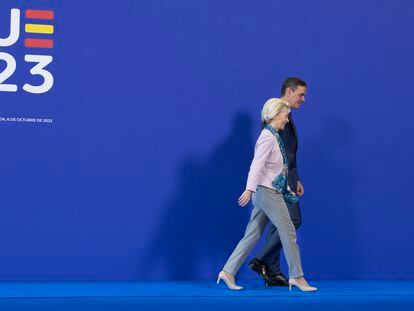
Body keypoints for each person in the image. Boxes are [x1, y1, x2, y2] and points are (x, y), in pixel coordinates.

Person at [217, 98, 317, 291]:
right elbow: (256, 165)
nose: (287, 120)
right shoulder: (267, 137)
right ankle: (297, 276)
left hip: (265, 192)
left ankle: (228, 272)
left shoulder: (273, 135)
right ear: (275, 114)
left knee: (251, 235)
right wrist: (249, 189)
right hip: (267, 193)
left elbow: (274, 169)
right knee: (288, 233)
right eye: (285, 116)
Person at [249, 77, 307, 287]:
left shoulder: (288, 116)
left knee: (278, 223)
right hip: (277, 181)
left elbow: (289, 152)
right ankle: (262, 260)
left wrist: (296, 177)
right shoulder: (276, 114)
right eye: (300, 94)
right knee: (291, 221)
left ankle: (271, 270)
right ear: (289, 91)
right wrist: (285, 180)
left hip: (288, 178)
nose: (303, 99)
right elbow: (273, 154)